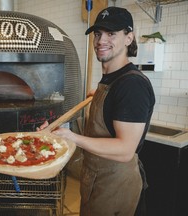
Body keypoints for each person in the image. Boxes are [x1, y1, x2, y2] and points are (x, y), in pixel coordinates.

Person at [39, 6, 155, 216]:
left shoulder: (132, 85)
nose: (101, 40)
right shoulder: (110, 81)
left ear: (129, 38)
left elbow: (125, 149)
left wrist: (72, 137)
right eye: (98, 33)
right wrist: (60, 130)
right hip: (96, 179)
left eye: (112, 33)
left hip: (116, 185)